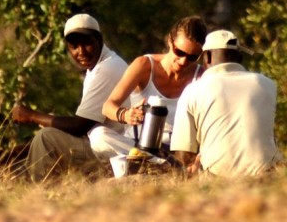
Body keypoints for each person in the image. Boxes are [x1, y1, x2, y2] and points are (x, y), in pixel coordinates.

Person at [12, 13, 128, 177]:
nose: (81, 52)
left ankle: (37, 194)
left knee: (46, 138)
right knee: (48, 135)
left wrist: (32, 116)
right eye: (74, 46)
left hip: (113, 153)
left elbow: (79, 126)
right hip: (107, 146)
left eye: (87, 44)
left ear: (99, 40)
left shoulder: (106, 69)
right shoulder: (99, 66)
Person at [171, 30, 281, 177]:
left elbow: (184, 155)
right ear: (240, 57)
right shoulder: (267, 84)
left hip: (217, 176)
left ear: (207, 57)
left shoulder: (193, 90)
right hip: (266, 174)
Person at [98, 16, 210, 161]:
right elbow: (108, 106)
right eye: (179, 52)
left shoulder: (201, 77)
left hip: (177, 150)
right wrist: (125, 115)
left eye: (192, 57)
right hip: (138, 144)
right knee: (98, 136)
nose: (183, 61)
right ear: (170, 41)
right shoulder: (144, 65)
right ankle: (160, 163)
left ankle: (161, 163)